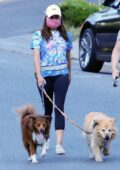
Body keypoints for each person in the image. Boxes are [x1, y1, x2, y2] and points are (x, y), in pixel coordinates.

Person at [31, 4, 72, 155]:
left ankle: (59, 145)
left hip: (62, 75)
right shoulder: (38, 35)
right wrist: (39, 75)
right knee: (47, 110)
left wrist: (70, 73)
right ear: (46, 18)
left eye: (57, 17)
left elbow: (68, 56)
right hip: (45, 77)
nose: (55, 20)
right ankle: (46, 139)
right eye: (52, 17)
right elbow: (36, 56)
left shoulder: (66, 35)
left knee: (59, 107)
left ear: (60, 18)